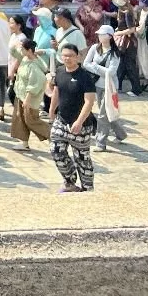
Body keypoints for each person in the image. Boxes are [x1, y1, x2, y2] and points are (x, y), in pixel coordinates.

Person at [49, 44, 98, 192]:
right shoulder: (59, 72)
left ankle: (87, 188)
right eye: (64, 55)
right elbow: (56, 92)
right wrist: (51, 111)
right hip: (61, 121)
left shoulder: (85, 77)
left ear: (77, 57)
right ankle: (69, 181)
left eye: (70, 55)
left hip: (81, 125)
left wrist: (79, 122)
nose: (67, 58)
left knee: (82, 158)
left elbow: (89, 101)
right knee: (56, 150)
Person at [84, 26, 126, 151]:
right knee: (108, 112)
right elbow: (86, 63)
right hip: (97, 85)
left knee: (103, 115)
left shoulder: (114, 53)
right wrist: (97, 68)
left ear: (109, 36)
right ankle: (121, 134)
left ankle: (101, 143)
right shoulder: (94, 48)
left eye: (102, 34)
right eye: (99, 34)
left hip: (110, 87)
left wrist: (95, 67)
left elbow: (111, 72)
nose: (100, 36)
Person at [10, 38, 50, 151]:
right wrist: (16, 45)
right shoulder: (25, 57)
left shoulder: (34, 65)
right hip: (20, 94)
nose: (20, 50)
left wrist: (27, 99)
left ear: (29, 50)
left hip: (30, 99)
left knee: (31, 120)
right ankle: (24, 143)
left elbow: (36, 83)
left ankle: (54, 135)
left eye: (23, 48)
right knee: (20, 119)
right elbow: (14, 52)